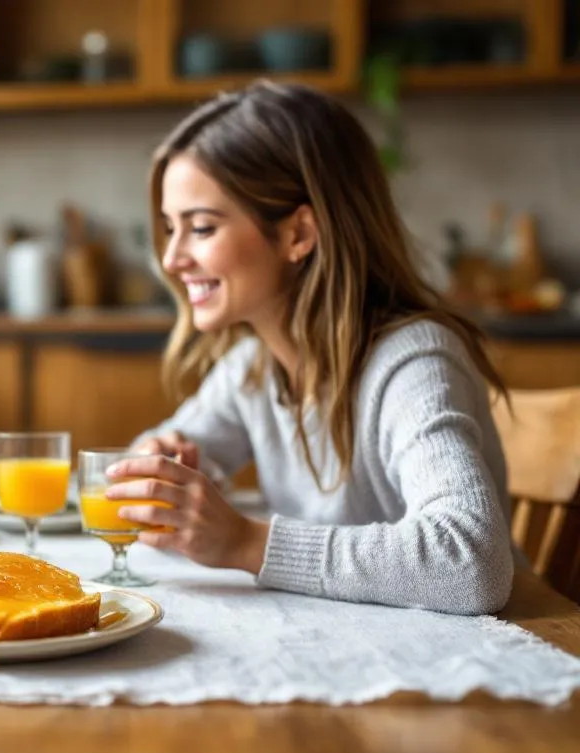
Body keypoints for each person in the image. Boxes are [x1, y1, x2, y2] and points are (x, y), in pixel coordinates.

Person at [106, 81, 515, 615]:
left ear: (299, 233)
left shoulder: (412, 363)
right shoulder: (252, 368)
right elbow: (169, 448)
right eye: (168, 229)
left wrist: (246, 544)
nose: (172, 259)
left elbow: (473, 561)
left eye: (201, 228)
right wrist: (156, 460)